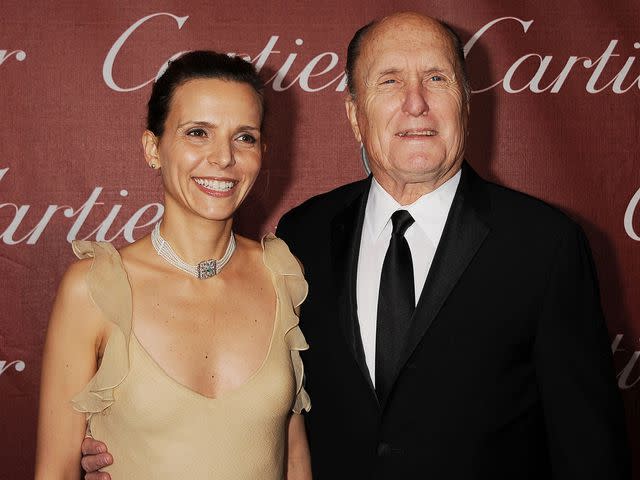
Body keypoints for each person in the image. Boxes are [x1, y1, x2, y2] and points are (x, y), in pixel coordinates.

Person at [81, 12, 631, 480]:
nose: (415, 103)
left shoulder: (544, 244)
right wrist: (128, 442)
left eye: (436, 79)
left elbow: (590, 449)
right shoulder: (301, 237)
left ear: (465, 102)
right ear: (353, 114)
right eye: (388, 81)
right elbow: (258, 399)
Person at [35, 50, 311, 480]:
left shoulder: (282, 274)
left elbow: (293, 456)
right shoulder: (94, 287)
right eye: (198, 132)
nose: (223, 158)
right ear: (153, 148)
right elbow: (55, 472)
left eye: (244, 137)